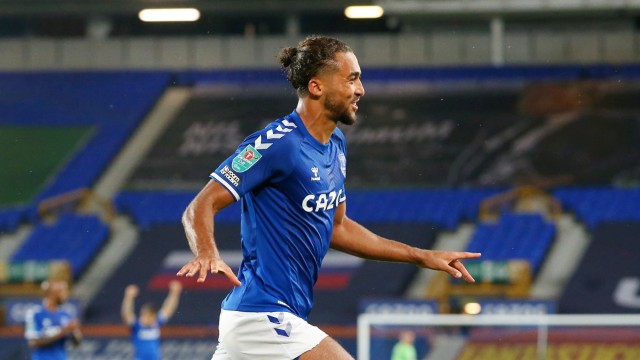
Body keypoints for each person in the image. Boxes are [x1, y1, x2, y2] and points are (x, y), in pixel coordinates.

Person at [178, 35, 481, 360]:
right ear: (317, 87)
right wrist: (207, 251)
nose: (361, 89)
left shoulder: (335, 144)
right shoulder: (275, 144)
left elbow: (338, 227)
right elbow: (201, 205)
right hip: (262, 314)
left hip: (275, 318)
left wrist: (419, 255)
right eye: (352, 79)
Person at [121, 280, 183, 360]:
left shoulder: (156, 323)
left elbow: (168, 309)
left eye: (148, 316)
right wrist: (128, 297)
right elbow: (126, 314)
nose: (144, 318)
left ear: (153, 316)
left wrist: (174, 293)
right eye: (143, 315)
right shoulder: (137, 325)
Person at [24, 279, 82, 360]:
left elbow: (77, 343)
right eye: (62, 292)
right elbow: (33, 342)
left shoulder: (66, 315)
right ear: (52, 294)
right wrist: (63, 331)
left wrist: (74, 331)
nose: (66, 295)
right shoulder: (35, 314)